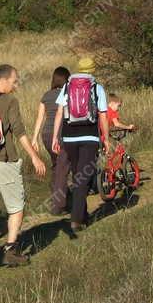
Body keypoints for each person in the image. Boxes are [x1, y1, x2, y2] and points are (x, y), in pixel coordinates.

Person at [0, 64, 47, 278]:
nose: (16, 84)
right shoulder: (10, 100)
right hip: (5, 161)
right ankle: (10, 250)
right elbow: (19, 130)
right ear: (3, 80)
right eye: (14, 80)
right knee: (16, 207)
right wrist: (34, 156)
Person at [51, 57, 109, 232]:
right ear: (92, 70)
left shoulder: (68, 86)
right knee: (83, 178)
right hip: (90, 138)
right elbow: (103, 115)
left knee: (78, 175)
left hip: (69, 138)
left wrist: (55, 136)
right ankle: (76, 219)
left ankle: (82, 214)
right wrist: (105, 137)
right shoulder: (97, 87)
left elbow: (60, 112)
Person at [32, 66, 71, 215]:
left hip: (46, 135)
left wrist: (34, 138)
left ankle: (59, 198)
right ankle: (58, 205)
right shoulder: (67, 94)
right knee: (63, 168)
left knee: (56, 166)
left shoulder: (46, 95)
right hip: (60, 134)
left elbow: (40, 118)